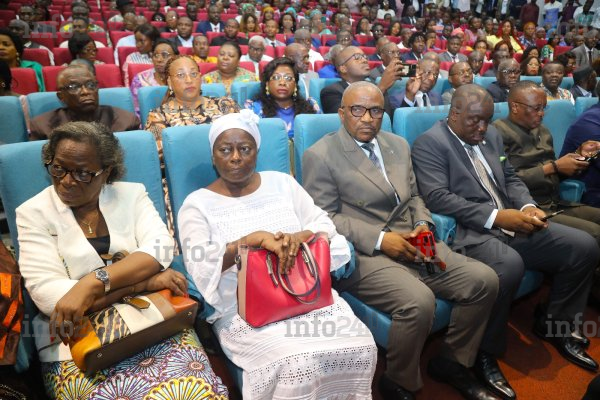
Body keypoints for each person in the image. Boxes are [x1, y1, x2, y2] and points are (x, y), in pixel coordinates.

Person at [302, 81, 499, 400]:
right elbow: (324, 218)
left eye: (376, 110)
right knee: (418, 301)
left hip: (416, 240)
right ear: (341, 113)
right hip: (366, 252)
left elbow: (415, 196)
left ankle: (452, 362)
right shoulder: (320, 155)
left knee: (483, 280)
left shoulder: (397, 144)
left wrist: (422, 224)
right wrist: (383, 240)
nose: (368, 118)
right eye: (358, 110)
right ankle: (398, 381)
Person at [412, 84, 600, 400]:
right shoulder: (430, 143)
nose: (482, 128)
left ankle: (556, 324)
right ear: (453, 114)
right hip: (471, 231)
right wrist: (497, 217)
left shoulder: (490, 135)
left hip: (513, 221)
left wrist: (527, 206)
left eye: (487, 120)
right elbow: (438, 197)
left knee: (583, 246)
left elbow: (510, 178)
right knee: (509, 266)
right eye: (474, 120)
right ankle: (484, 353)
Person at [16, 121, 228, 399]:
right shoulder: (32, 213)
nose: (66, 181)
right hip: (77, 342)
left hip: (153, 322)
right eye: (58, 168)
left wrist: (92, 283)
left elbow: (160, 249)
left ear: (106, 171)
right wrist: (143, 283)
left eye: (82, 173)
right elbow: (52, 298)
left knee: (195, 392)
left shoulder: (132, 194)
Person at [177, 109, 377, 398]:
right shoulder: (197, 204)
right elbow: (199, 263)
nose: (236, 157)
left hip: (306, 294)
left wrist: (298, 238)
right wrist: (252, 241)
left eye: (245, 149)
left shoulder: (282, 183)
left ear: (257, 152)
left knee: (360, 345)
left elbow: (323, 225)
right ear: (213, 155)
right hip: (243, 308)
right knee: (296, 361)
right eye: (225, 150)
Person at [146, 55, 239, 154]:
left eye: (194, 74)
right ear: (169, 82)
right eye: (180, 75)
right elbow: (160, 157)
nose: (189, 80)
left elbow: (244, 140)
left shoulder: (226, 104)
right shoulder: (158, 116)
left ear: (200, 77)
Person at [30, 66, 139, 140]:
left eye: (91, 85)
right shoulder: (43, 127)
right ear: (61, 96)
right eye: (74, 87)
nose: (85, 92)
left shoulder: (126, 121)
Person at [245, 57, 320, 138]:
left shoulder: (311, 108)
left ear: (295, 84)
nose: (282, 82)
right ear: (267, 84)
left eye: (288, 78)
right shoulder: (254, 111)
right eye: (276, 78)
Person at [320, 46, 399, 118]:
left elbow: (387, 119)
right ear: (343, 68)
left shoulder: (374, 86)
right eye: (357, 57)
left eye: (365, 57)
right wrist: (381, 88)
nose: (365, 60)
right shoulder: (331, 92)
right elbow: (348, 120)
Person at [130, 38, 178, 113]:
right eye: (155, 55)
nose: (159, 59)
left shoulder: (183, 78)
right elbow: (135, 111)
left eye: (165, 55)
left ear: (175, 57)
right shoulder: (140, 80)